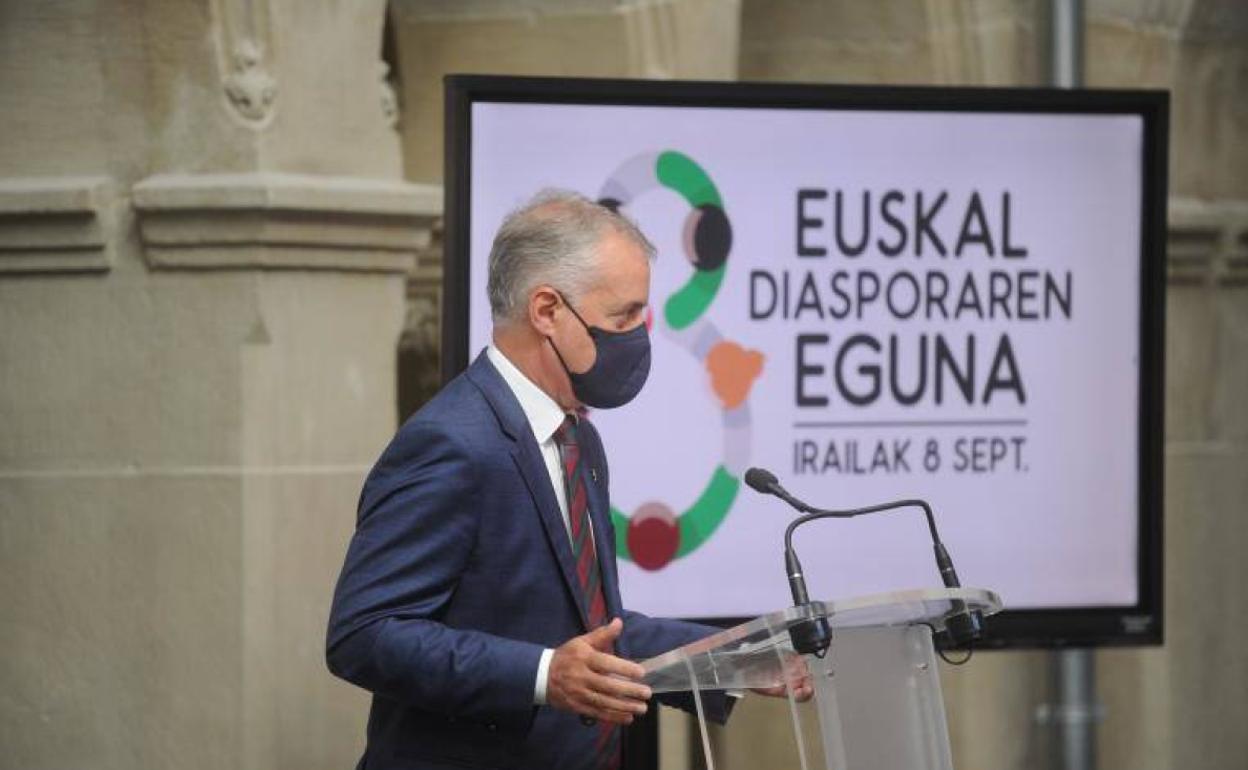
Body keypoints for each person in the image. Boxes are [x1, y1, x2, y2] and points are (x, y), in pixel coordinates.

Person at [326, 190, 809, 770]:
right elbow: (365, 634)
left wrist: (742, 657)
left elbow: (598, 633)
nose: (639, 335)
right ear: (547, 310)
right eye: (624, 316)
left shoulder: (578, 438)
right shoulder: (450, 443)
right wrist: (543, 675)